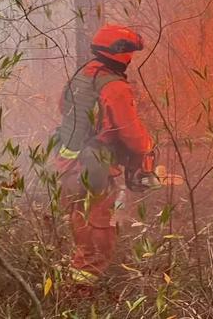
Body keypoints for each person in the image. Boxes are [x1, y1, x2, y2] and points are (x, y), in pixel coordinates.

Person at [55, 24, 159, 287]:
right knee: (99, 232)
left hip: (68, 164)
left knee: (79, 222)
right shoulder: (114, 86)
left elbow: (65, 110)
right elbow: (132, 134)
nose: (131, 59)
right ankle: (82, 293)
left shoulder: (82, 75)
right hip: (96, 168)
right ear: (119, 53)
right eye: (130, 54)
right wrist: (147, 150)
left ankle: (77, 282)